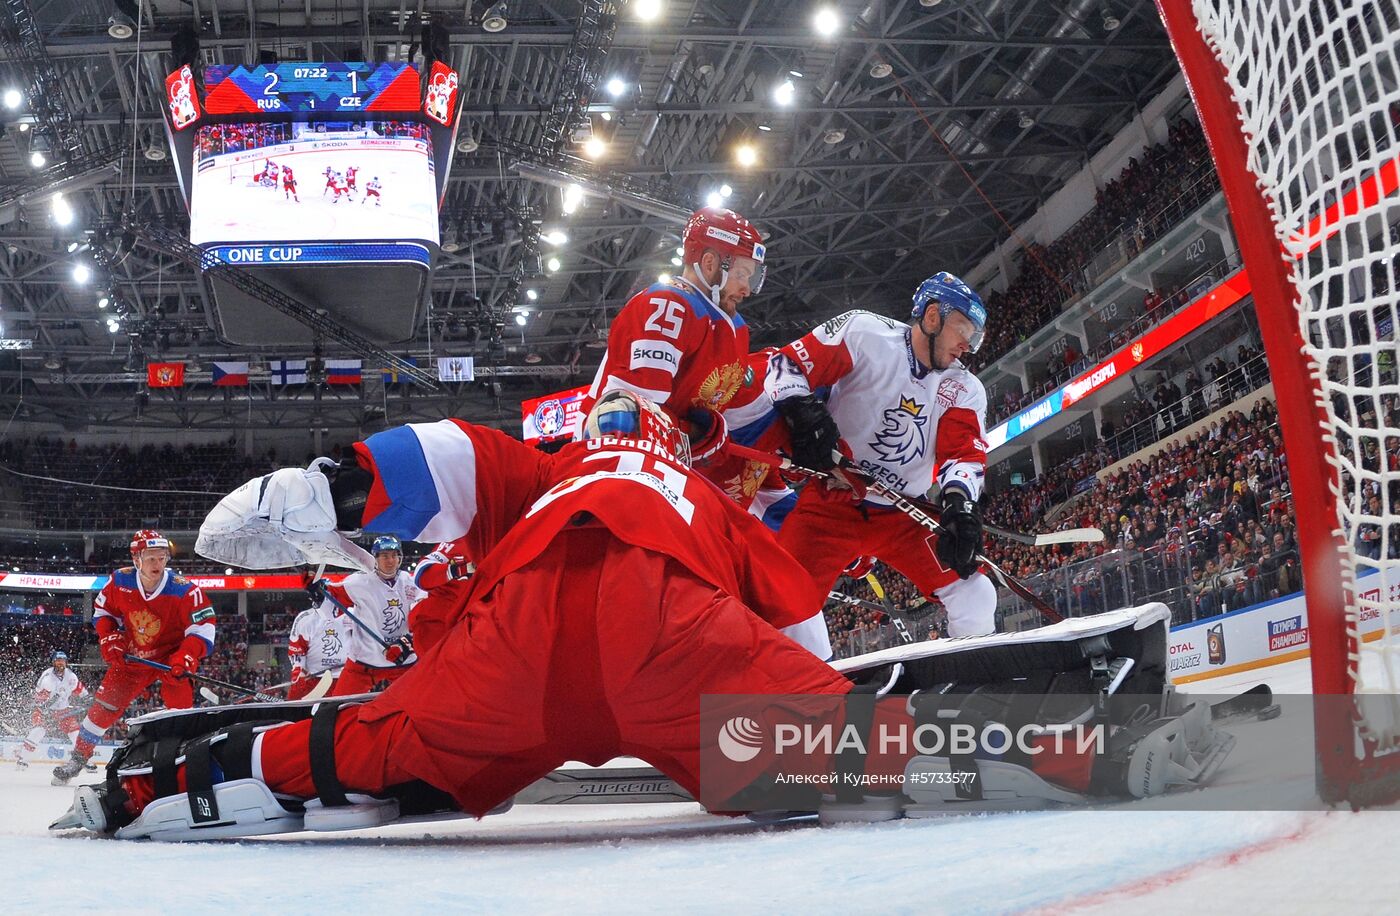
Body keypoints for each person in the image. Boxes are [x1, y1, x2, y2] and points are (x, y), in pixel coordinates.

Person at [74, 392, 852, 835]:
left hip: (510, 655)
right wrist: (807, 690)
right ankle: (877, 754)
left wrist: (338, 486)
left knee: (363, 744)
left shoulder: (549, 469)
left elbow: (451, 454)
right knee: (878, 752)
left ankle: (163, 782)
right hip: (672, 633)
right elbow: (790, 608)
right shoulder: (704, 496)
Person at [766, 272, 998, 647]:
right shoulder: (865, 333)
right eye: (963, 329)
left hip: (905, 514)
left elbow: (964, 455)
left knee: (976, 593)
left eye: (974, 336)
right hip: (832, 502)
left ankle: (974, 686)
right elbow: (785, 366)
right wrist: (802, 410)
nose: (966, 345)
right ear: (933, 315)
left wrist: (961, 503)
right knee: (782, 604)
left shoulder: (963, 387)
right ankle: (812, 692)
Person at [574, 206, 766, 440]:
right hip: (613, 454)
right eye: (741, 274)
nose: (747, 289)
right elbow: (633, 416)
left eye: (751, 277)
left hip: (673, 459)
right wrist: (697, 435)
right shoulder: (666, 305)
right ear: (709, 263)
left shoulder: (736, 327)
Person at [51, 530, 216, 785]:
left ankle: (185, 761)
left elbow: (203, 627)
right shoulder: (120, 581)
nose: (157, 564)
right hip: (133, 657)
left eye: (162, 557)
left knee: (180, 711)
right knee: (104, 706)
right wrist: (110, 637)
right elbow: (103, 611)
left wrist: (186, 656)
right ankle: (78, 757)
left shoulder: (185, 591)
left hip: (171, 658)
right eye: (151, 558)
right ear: (136, 559)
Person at [311, 536, 425, 697]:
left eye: (394, 555)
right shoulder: (358, 583)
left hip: (404, 662)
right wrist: (318, 595)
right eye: (385, 556)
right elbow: (331, 611)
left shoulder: (411, 583)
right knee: (338, 707)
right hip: (364, 664)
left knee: (417, 705)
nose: (390, 560)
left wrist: (406, 643)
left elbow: (426, 617)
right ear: (375, 558)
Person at [15, 651, 89, 770]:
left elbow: (81, 691)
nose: (61, 663)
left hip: (63, 710)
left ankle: (84, 760)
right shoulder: (47, 679)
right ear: (53, 662)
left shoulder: (71, 676)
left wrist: (87, 698)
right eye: (58, 660)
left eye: (63, 661)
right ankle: (22, 759)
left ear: (66, 662)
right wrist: (46, 711)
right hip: (43, 710)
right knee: (38, 731)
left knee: (75, 733)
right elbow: (40, 701)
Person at [408, 539, 474, 655]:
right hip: (439, 627)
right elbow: (421, 575)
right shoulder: (456, 542)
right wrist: (458, 569)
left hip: (473, 624)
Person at [286, 598, 351, 700]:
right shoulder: (306, 618)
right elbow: (297, 650)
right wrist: (299, 670)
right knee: (295, 709)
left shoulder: (351, 616)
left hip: (343, 679)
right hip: (312, 678)